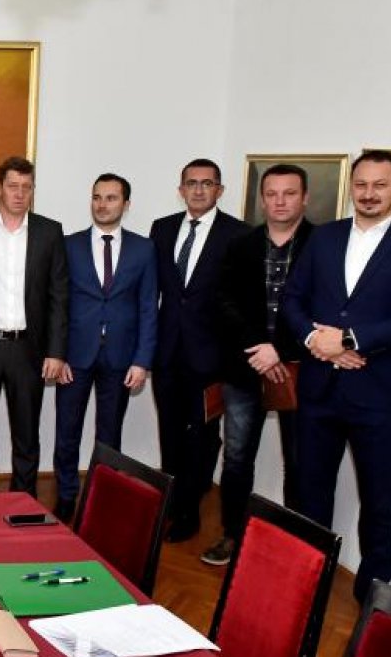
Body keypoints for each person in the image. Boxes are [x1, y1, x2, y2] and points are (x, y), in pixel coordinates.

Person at [282, 150, 391, 601]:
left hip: (379, 399)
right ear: (351, 187)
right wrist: (317, 341)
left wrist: (351, 340)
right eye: (361, 185)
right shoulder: (324, 237)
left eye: (380, 185)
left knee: (379, 503)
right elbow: (293, 300)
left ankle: (371, 601)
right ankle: (309, 585)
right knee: (310, 494)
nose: (369, 194)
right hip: (319, 390)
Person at [204, 163, 315, 566]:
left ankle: (294, 546)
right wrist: (259, 347)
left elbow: (324, 307)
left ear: (305, 198)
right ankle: (233, 534)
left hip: (300, 369)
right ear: (262, 199)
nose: (280, 201)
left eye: (289, 193)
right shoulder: (240, 244)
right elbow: (223, 301)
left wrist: (279, 350)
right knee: (236, 458)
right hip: (244, 366)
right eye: (271, 193)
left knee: (299, 462)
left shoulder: (322, 245)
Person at [149, 158, 248, 541]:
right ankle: (172, 503)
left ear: (219, 190)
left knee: (203, 437)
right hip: (167, 353)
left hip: (211, 359)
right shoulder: (162, 228)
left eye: (207, 183)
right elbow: (157, 292)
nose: (199, 190)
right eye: (191, 183)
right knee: (170, 431)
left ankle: (190, 509)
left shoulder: (238, 234)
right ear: (181, 189)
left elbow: (241, 301)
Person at [0, 156, 68, 495]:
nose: (19, 194)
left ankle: (23, 504)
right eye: (12, 186)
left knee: (26, 435)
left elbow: (59, 296)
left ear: (33, 190)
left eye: (26, 187)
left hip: (28, 349)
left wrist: (56, 351)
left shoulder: (50, 232)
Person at [52, 173, 157, 519]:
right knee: (67, 432)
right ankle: (66, 496)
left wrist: (142, 361)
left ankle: (103, 501)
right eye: (97, 197)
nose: (102, 204)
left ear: (126, 204)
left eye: (111, 198)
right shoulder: (69, 245)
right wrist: (58, 354)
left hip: (121, 358)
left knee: (109, 436)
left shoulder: (144, 249)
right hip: (75, 357)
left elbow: (148, 307)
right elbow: (58, 303)